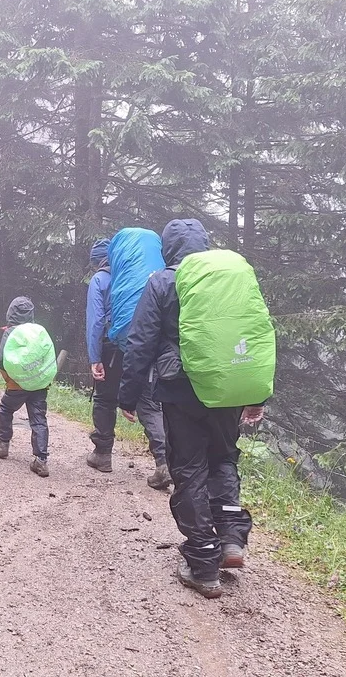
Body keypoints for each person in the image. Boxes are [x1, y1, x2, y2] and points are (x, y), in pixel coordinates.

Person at [117, 219, 264, 599]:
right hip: (229, 384)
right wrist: (255, 392)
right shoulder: (230, 277)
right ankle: (232, 539)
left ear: (168, 249)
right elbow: (255, 333)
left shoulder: (163, 281)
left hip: (181, 388)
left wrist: (128, 396)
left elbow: (140, 341)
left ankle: (202, 564)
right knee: (224, 459)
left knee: (190, 469)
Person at [85, 235, 170, 488]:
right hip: (143, 344)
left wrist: (94, 357)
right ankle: (164, 463)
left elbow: (96, 322)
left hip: (112, 348)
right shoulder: (141, 279)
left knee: (104, 398)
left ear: (96, 263)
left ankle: (102, 455)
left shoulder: (99, 280)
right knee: (147, 402)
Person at [0, 297, 53, 478]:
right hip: (39, 384)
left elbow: (0, 359)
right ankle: (41, 460)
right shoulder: (38, 331)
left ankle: (3, 444)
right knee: (39, 419)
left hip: (16, 386)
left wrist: (10, 377)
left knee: (6, 409)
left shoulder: (11, 332)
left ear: (10, 312)